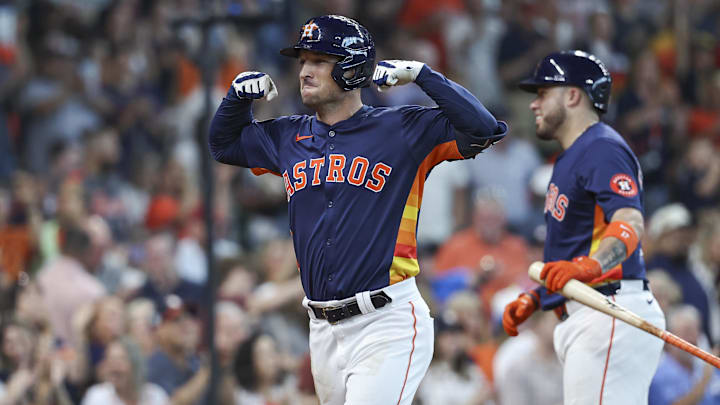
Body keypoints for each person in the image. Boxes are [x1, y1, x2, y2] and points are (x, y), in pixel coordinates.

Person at [209, 14, 507, 405]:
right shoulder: (287, 135)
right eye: (302, 61)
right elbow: (223, 145)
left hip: (386, 319)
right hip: (322, 327)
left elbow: (484, 128)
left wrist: (423, 75)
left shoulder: (402, 128)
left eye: (318, 60)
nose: (305, 71)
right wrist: (235, 99)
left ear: (351, 68)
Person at [501, 50, 665, 405]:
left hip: (609, 309)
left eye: (543, 92)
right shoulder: (573, 155)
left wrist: (589, 267)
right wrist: (539, 295)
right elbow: (572, 247)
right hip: (590, 312)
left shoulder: (600, 147)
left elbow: (630, 219)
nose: (534, 104)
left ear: (573, 95)